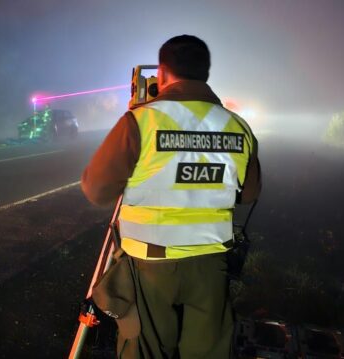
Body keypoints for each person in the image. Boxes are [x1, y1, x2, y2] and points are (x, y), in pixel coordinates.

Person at [81, 35, 261, 358]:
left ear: (161, 73)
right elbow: (249, 194)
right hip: (211, 266)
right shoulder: (238, 126)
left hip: (150, 267)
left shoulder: (141, 121)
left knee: (145, 350)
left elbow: (96, 190)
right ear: (205, 73)